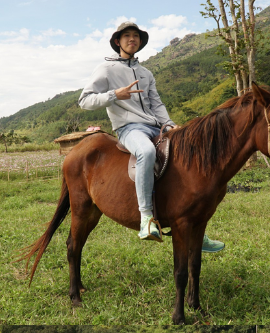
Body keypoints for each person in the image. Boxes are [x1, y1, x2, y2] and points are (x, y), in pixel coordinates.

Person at [79, 21, 225, 252]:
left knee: (188, 158)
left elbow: (156, 104)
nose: (132, 39)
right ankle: (146, 218)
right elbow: (84, 100)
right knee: (146, 152)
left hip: (156, 127)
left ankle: (197, 229)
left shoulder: (146, 73)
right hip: (129, 129)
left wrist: (169, 124)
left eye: (135, 36)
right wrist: (114, 95)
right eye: (126, 36)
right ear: (118, 41)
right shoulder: (106, 69)